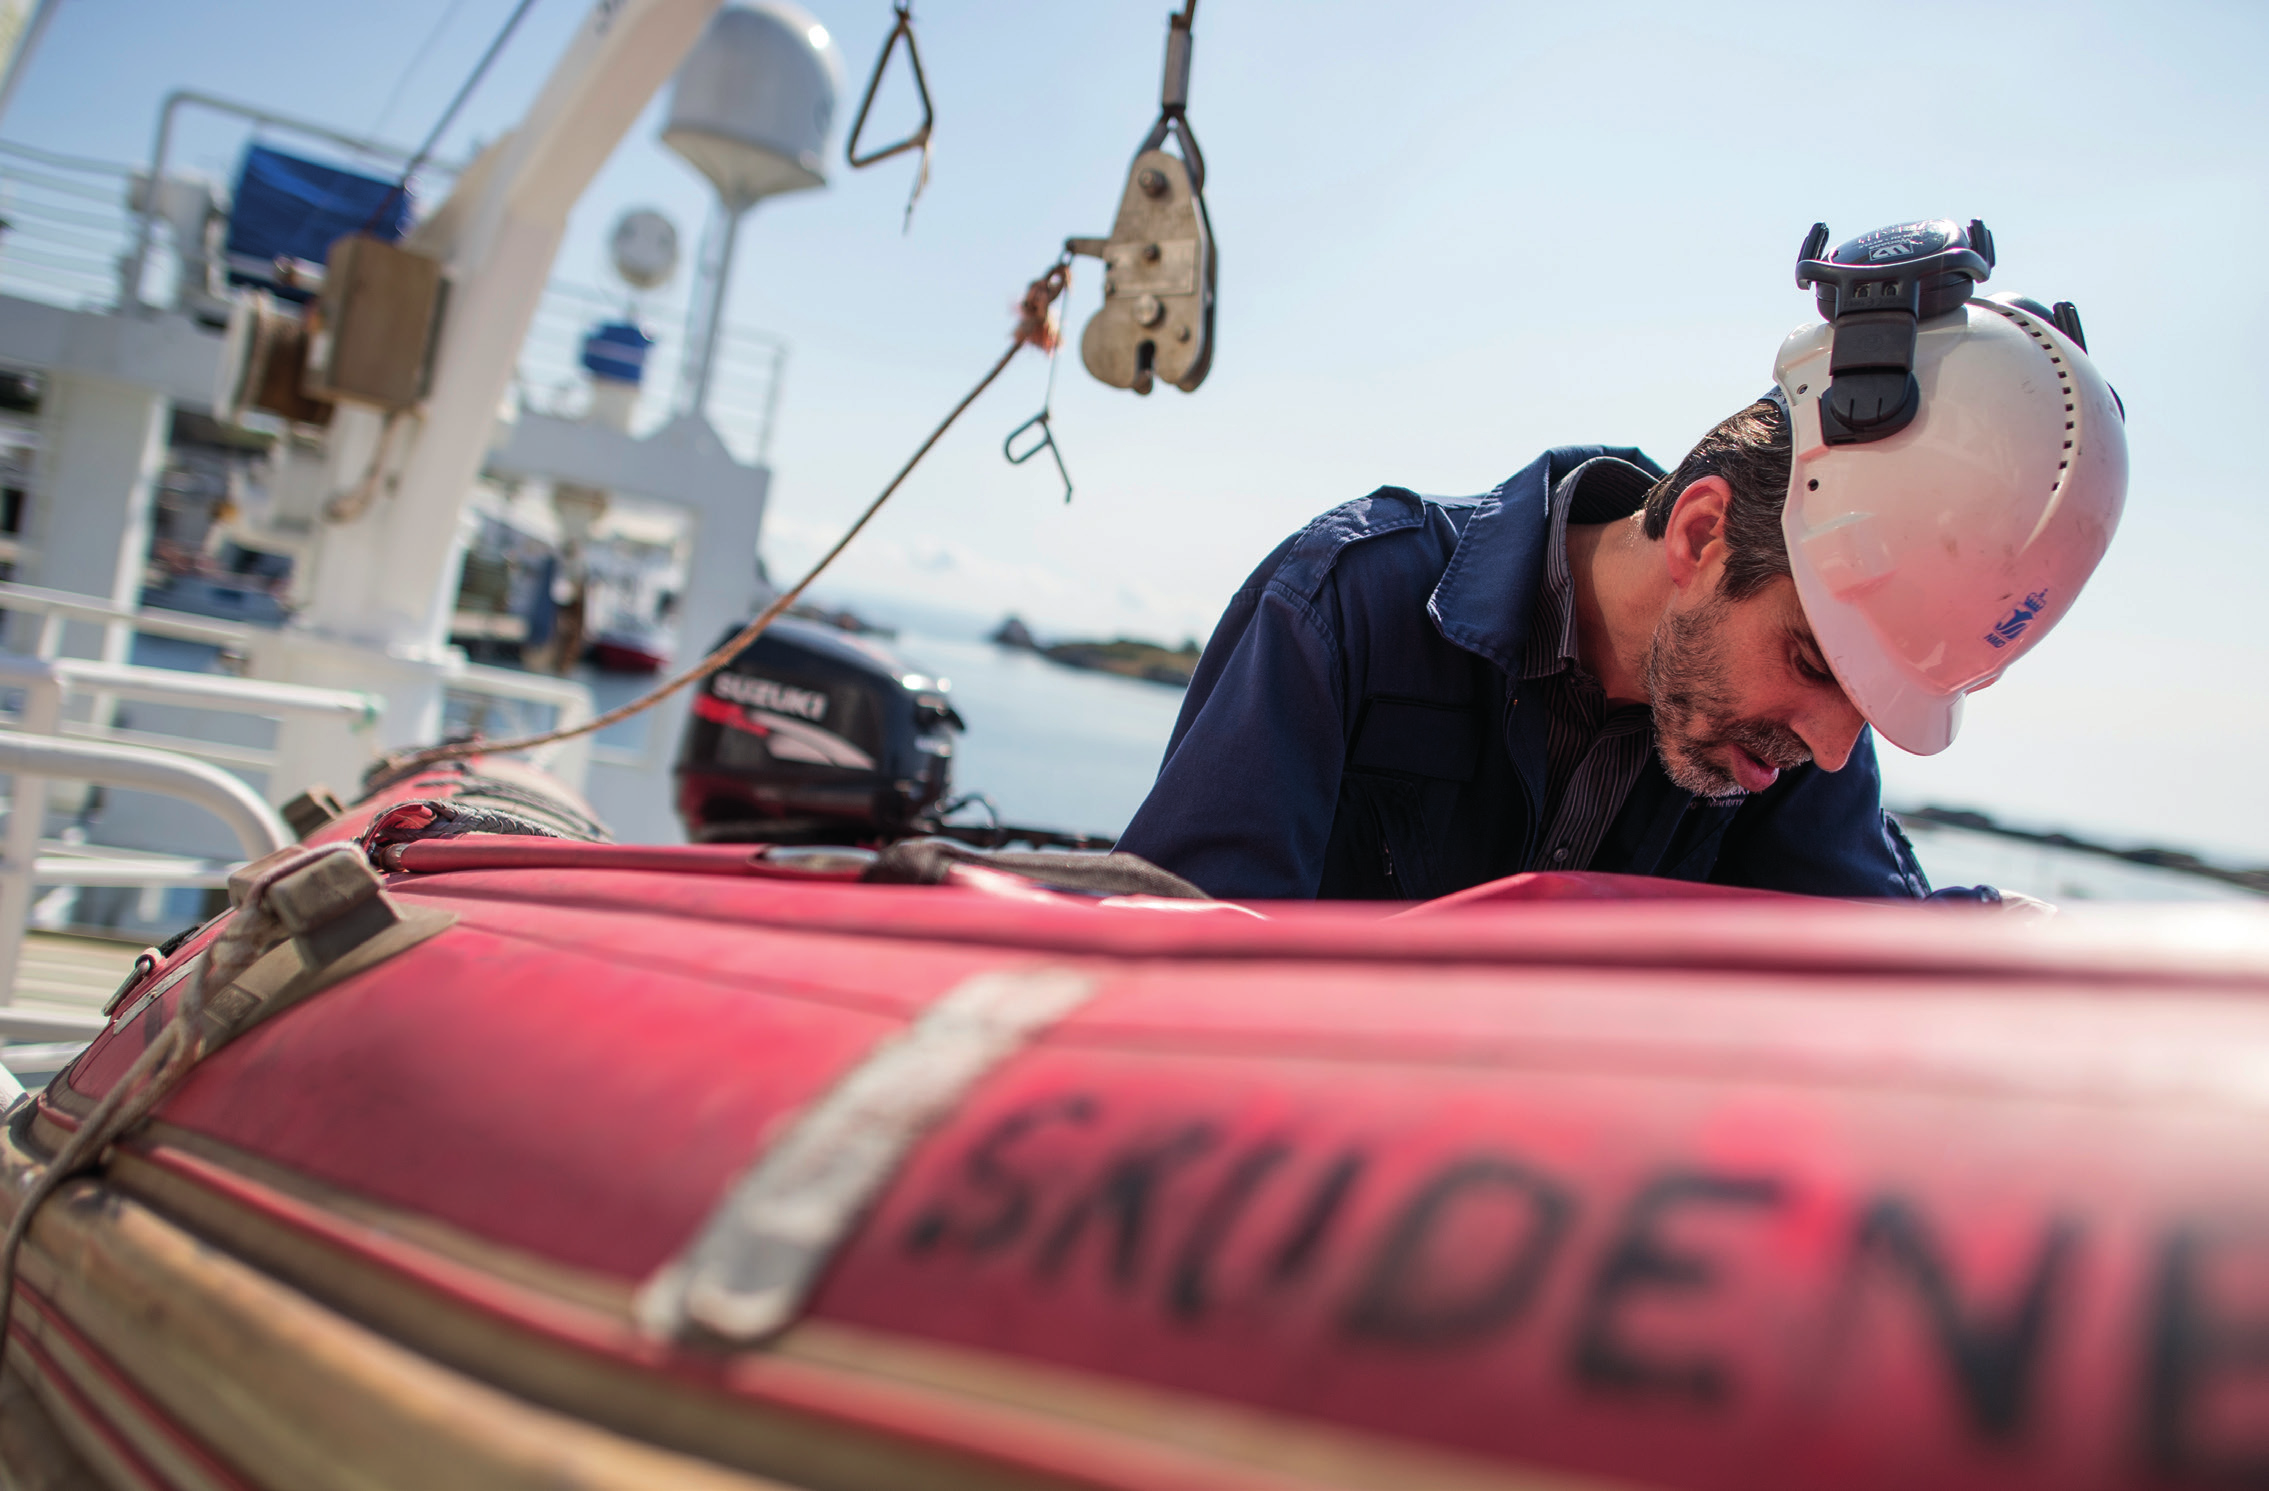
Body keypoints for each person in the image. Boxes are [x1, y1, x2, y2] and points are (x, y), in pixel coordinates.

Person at [1117, 220, 2128, 901]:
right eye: (1819, 666)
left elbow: (1888, 978)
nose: (1827, 749)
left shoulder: (1794, 724)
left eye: (1868, 705)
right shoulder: (1349, 609)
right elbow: (1171, 978)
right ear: (1699, 532)